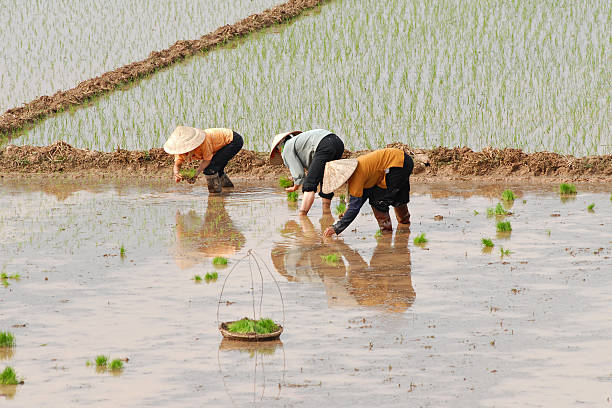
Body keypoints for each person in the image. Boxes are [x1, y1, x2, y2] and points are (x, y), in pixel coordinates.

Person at [322, 148, 413, 236]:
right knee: (397, 195)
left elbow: (355, 207)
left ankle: (386, 234)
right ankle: (404, 225)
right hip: (402, 160)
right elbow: (363, 194)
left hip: (396, 166)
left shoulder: (355, 177)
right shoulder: (357, 167)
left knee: (378, 201)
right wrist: (349, 209)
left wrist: (336, 228)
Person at [269, 129, 344, 215]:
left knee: (309, 185)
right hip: (338, 143)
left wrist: (295, 187)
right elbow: (314, 167)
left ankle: (302, 215)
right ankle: (326, 212)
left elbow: (299, 174)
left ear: (278, 148)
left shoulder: (286, 148)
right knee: (325, 178)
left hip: (324, 144)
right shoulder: (297, 142)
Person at [163, 126, 244, 193]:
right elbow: (178, 162)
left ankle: (215, 196)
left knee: (210, 169)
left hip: (233, 140)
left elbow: (207, 160)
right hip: (221, 144)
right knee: (217, 169)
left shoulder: (203, 142)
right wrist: (176, 172)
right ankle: (228, 189)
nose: (184, 152)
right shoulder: (180, 149)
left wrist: (196, 173)